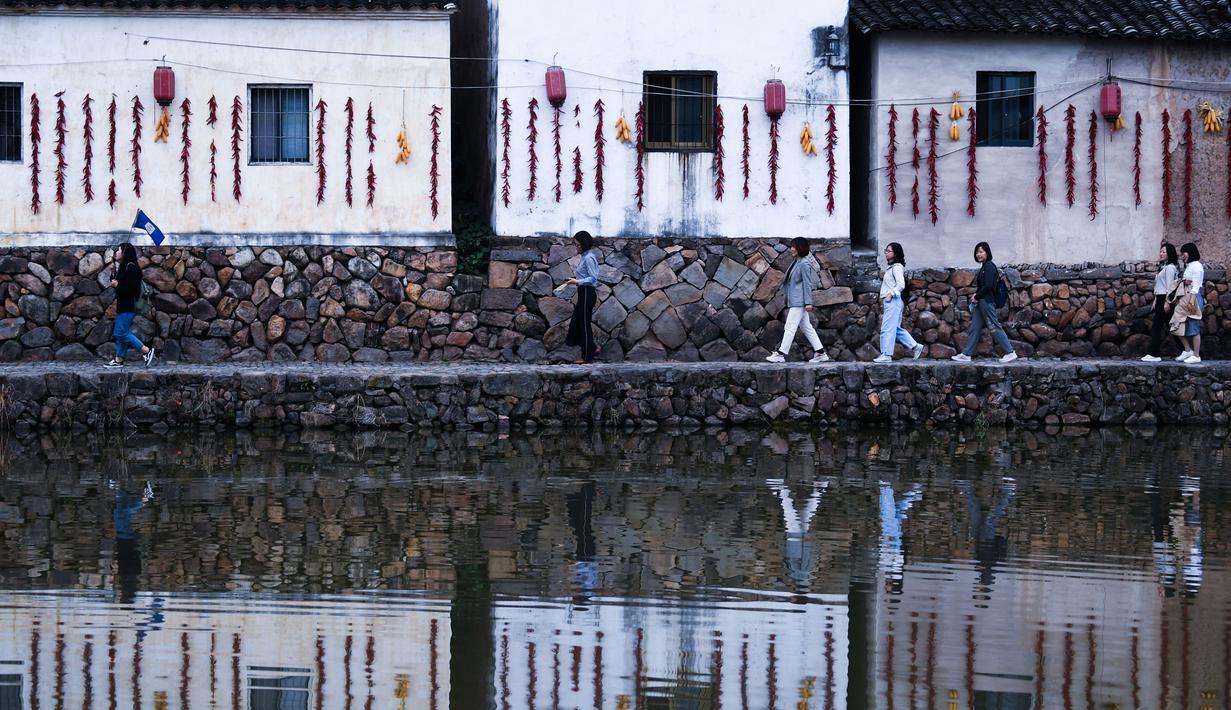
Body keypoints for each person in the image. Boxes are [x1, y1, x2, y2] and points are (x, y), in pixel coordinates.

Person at [766, 237, 830, 363]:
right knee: (806, 327)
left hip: (799, 301)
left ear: (800, 248)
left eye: (793, 247)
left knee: (790, 326)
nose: (791, 249)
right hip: (796, 300)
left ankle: (780, 354)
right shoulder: (797, 261)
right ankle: (821, 353)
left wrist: (808, 302)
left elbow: (807, 284)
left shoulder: (804, 264)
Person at [951, 242, 1016, 363]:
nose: (978, 254)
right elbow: (984, 286)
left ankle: (1010, 352)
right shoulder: (984, 267)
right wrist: (977, 296)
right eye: (977, 252)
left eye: (981, 251)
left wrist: (977, 295)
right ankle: (967, 354)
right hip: (981, 302)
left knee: (993, 326)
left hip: (986, 301)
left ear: (987, 252)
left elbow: (988, 286)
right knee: (975, 327)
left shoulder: (989, 266)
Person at [106, 243, 155, 368]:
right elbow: (120, 287)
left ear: (124, 253)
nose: (116, 252)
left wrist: (118, 285)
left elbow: (133, 289)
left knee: (120, 333)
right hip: (123, 305)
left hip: (129, 305)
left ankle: (146, 351)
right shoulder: (124, 267)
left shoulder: (131, 267)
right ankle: (119, 359)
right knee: (122, 331)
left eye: (118, 250)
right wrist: (113, 276)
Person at [875, 242, 925, 363]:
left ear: (895, 254)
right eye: (885, 251)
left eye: (888, 251)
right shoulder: (892, 267)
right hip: (892, 302)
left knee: (887, 328)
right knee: (895, 329)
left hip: (893, 301)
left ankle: (886, 355)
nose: (886, 253)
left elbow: (901, 284)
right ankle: (915, 346)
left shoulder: (896, 267)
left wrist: (891, 293)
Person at [563, 230, 600, 364]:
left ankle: (587, 356)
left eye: (578, 245)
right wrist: (575, 279)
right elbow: (585, 276)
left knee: (584, 324)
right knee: (576, 322)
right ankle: (592, 347)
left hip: (587, 293)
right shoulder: (585, 256)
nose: (576, 247)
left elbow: (594, 278)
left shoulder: (589, 257)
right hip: (582, 293)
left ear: (584, 244)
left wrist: (576, 281)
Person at [1142, 243, 1181, 362]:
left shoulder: (1170, 268)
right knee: (1171, 326)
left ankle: (1155, 354)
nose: (1161, 253)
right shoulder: (1163, 267)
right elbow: (1160, 285)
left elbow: (1170, 286)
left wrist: (1166, 302)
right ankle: (1186, 350)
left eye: (1164, 251)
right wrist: (1155, 300)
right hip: (1160, 298)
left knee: (1157, 327)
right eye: (1161, 251)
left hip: (1165, 298)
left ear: (1170, 254)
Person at [1175, 242, 1205, 364]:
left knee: (1193, 326)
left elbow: (1196, 285)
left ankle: (1196, 355)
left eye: (1184, 253)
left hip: (1193, 298)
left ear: (1191, 252)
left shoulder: (1197, 266)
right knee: (1178, 324)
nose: (1183, 256)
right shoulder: (1189, 266)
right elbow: (1188, 281)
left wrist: (1192, 301)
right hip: (1185, 298)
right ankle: (1188, 350)